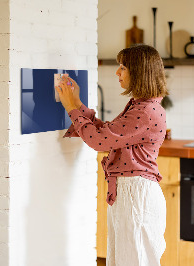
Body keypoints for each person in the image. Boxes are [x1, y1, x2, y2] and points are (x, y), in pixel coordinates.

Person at [56, 44, 168, 266]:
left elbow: (99, 141)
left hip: (136, 195)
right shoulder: (141, 106)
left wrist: (71, 108)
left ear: (139, 72)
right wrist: (77, 103)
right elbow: (107, 133)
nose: (117, 72)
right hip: (131, 193)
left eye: (123, 67)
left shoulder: (145, 111)